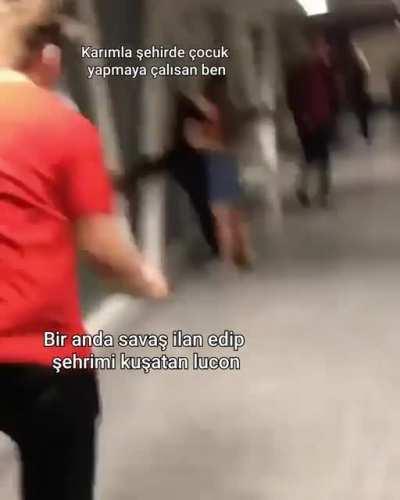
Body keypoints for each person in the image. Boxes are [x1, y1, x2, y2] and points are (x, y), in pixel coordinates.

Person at [0, 3, 168, 500]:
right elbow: (104, 252)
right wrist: (145, 279)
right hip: (46, 362)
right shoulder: (62, 126)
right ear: (48, 55)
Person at [186, 77, 253, 268]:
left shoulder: (208, 113)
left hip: (215, 164)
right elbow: (239, 139)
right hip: (232, 164)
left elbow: (195, 141)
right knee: (237, 214)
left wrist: (204, 141)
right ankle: (245, 253)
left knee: (221, 217)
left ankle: (227, 258)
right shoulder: (230, 110)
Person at [287, 34, 339, 208]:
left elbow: (332, 93)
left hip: (321, 118)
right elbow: (295, 98)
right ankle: (309, 189)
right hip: (310, 120)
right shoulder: (302, 71)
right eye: (320, 47)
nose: (323, 50)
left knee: (320, 157)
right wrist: (302, 117)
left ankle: (319, 191)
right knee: (313, 158)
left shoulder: (323, 69)